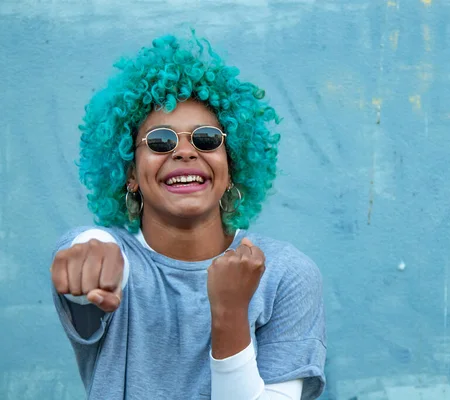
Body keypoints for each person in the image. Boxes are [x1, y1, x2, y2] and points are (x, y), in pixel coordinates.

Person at [49, 32, 326, 400]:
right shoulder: (108, 259)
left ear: (232, 165)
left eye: (207, 139)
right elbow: (92, 255)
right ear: (130, 173)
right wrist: (92, 260)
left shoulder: (284, 275)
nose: (184, 152)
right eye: (161, 141)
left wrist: (230, 312)